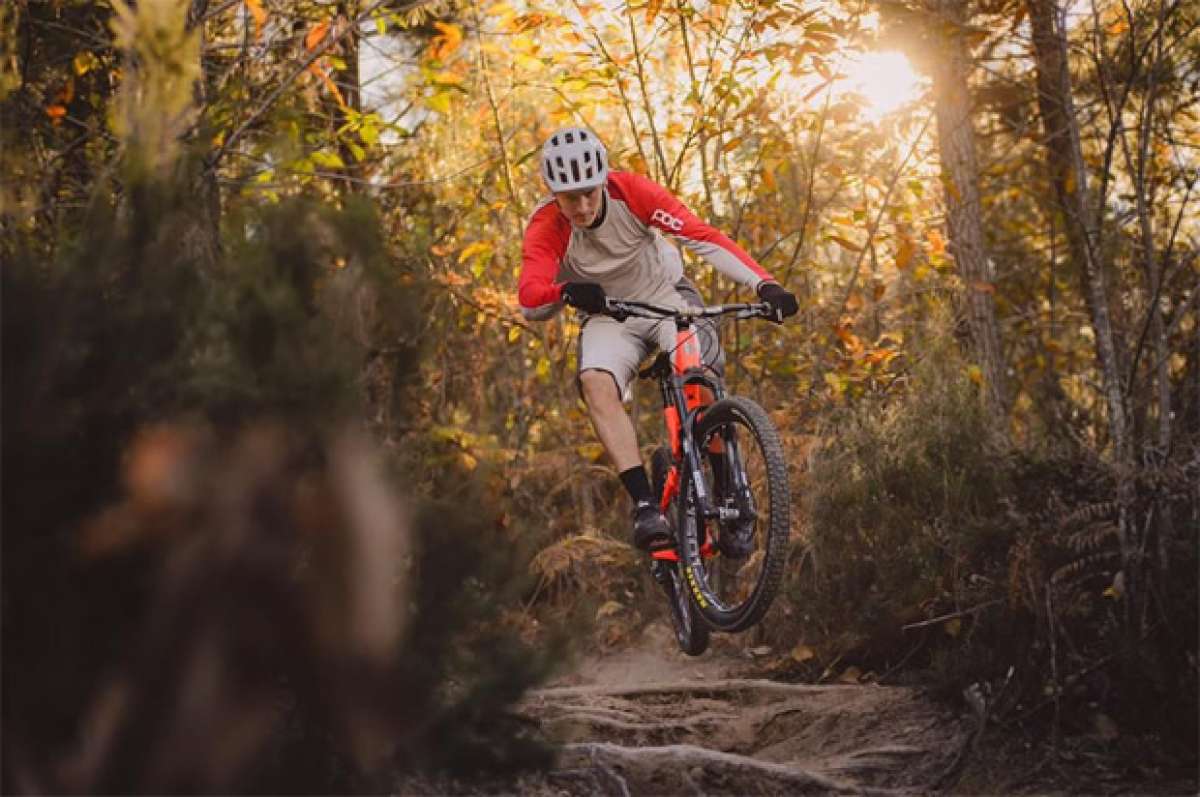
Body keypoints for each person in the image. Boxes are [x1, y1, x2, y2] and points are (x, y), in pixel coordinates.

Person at [517, 127, 798, 553]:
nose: (583, 205)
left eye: (590, 192)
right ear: (552, 191)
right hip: (609, 317)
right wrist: (566, 292)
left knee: (698, 374)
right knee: (595, 381)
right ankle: (646, 504)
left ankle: (728, 488)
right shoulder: (547, 224)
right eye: (569, 196)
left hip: (666, 299)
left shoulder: (631, 191)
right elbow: (530, 298)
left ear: (603, 181)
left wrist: (765, 285)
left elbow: (701, 236)